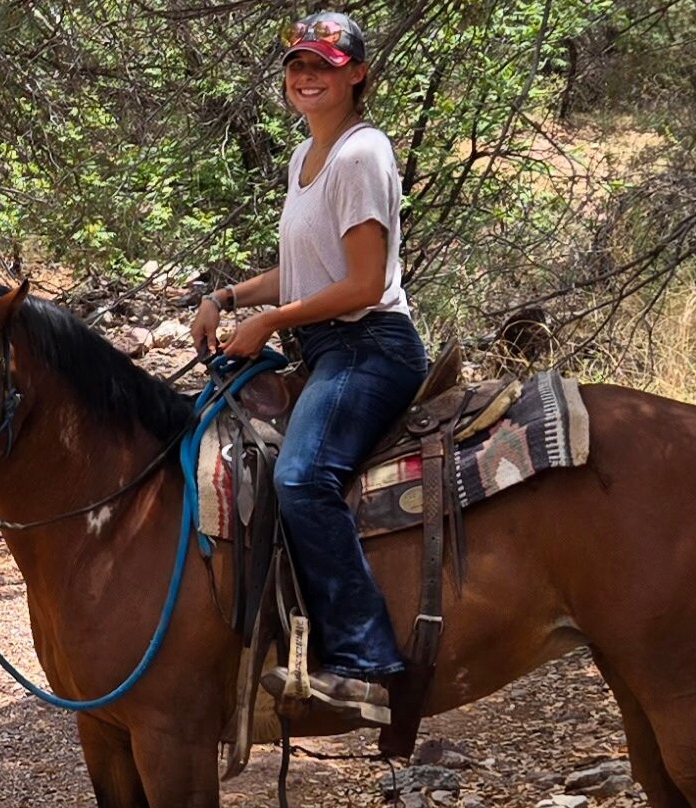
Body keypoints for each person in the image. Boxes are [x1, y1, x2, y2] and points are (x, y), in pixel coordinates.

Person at [190, 10, 428, 725]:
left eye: (323, 65)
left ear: (356, 74)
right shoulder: (305, 160)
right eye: (298, 65)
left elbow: (360, 284)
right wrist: (227, 296)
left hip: (370, 346)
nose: (305, 77)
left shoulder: (362, 154)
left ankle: (365, 662)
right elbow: (300, 270)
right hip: (326, 346)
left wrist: (268, 323)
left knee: (301, 477)